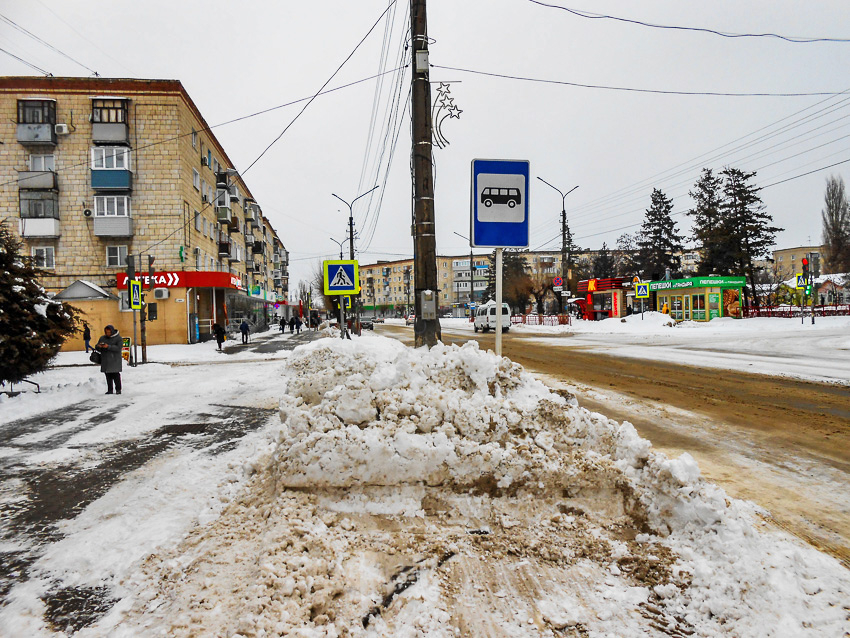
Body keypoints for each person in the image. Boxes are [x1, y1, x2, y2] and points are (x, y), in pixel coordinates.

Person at [95, 324, 123, 395]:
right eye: (106, 332)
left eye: (109, 332)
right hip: (105, 359)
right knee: (108, 375)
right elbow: (97, 346)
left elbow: (118, 348)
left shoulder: (118, 338)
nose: (107, 334)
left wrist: (108, 347)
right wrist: (99, 346)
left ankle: (118, 389)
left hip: (114, 359)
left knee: (115, 374)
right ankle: (110, 389)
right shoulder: (102, 338)